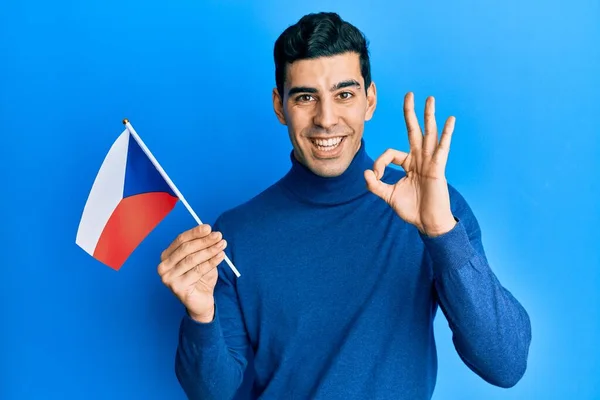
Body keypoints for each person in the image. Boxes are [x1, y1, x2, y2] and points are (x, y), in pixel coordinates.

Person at [157, 11, 532, 400]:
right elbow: (212, 393)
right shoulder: (235, 233)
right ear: (279, 105)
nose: (326, 118)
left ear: (369, 100)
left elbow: (505, 364)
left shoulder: (434, 208)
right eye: (305, 97)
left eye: (344, 94)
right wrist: (201, 317)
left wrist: (441, 232)